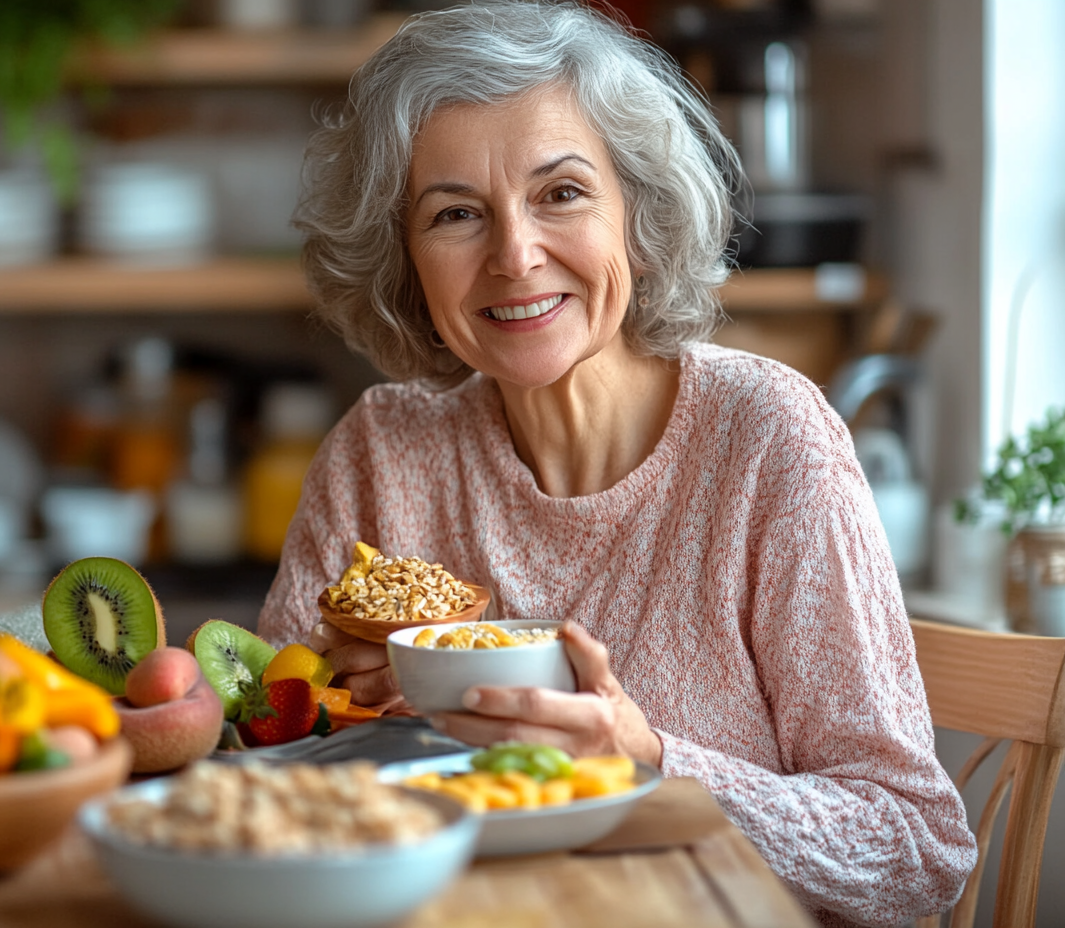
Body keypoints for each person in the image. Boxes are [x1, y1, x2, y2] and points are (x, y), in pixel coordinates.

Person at [256, 2, 977, 925]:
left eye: (561, 193)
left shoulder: (767, 440)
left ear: (636, 208)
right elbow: (263, 772)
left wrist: (646, 759)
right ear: (404, 259)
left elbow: (914, 849)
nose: (515, 256)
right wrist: (335, 714)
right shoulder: (382, 451)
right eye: (455, 214)